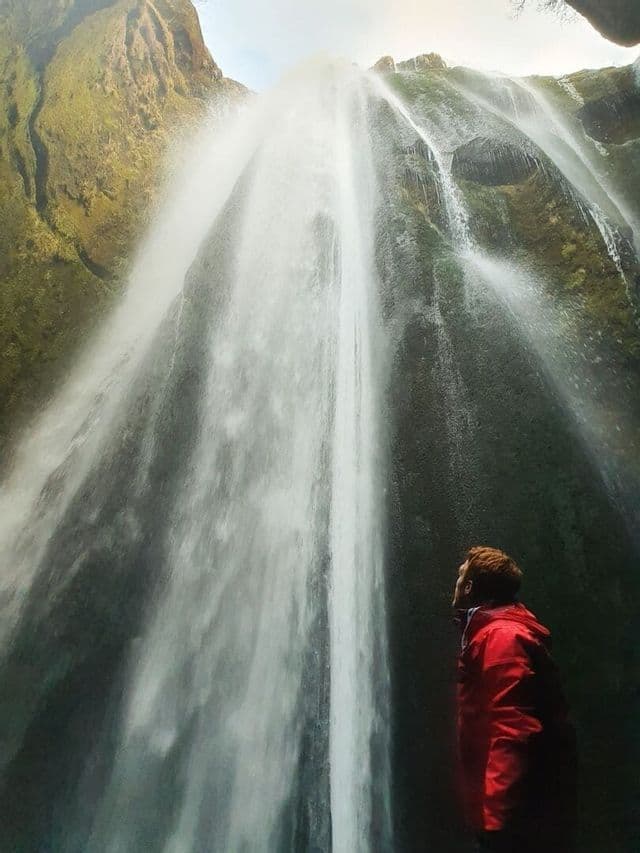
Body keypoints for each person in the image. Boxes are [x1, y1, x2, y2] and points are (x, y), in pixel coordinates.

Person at [453, 546, 577, 853]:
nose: (454, 583)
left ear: (469, 586)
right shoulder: (494, 633)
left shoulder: (500, 638)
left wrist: (496, 822)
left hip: (513, 820)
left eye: (459, 575)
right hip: (519, 810)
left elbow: (512, 727)